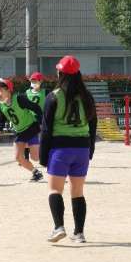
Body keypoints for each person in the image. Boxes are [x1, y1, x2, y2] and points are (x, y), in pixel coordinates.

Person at [39, 55, 97, 243]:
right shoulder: (87, 97)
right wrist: (90, 150)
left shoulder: (53, 96)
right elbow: (93, 125)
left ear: (61, 73)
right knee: (78, 192)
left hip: (61, 149)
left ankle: (58, 227)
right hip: (82, 148)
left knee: (54, 190)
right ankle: (79, 233)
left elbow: (46, 129)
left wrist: (43, 155)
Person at [0, 77, 44, 182]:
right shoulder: (1, 105)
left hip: (31, 129)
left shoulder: (19, 99)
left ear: (8, 90)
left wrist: (40, 122)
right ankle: (36, 173)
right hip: (20, 132)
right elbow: (1, 120)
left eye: (0, 91)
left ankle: (54, 159)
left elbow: (36, 108)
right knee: (18, 158)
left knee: (35, 157)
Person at [24, 72, 47, 161]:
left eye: (35, 81)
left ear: (41, 81)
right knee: (27, 138)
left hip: (41, 119)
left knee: (41, 139)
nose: (33, 83)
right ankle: (26, 157)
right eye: (32, 81)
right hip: (29, 119)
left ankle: (42, 156)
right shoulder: (27, 92)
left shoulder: (45, 92)